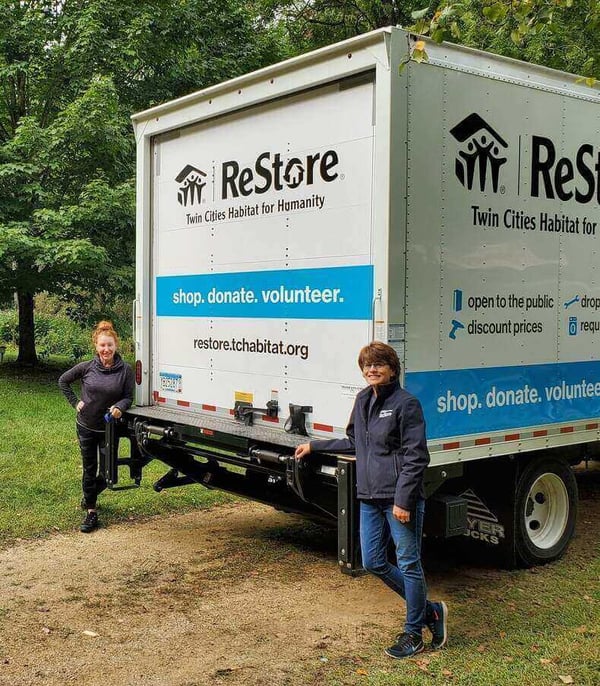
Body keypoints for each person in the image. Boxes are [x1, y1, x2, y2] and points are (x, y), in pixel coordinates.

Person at [295, 341, 447, 659]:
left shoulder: (407, 404)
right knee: (373, 561)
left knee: (408, 563)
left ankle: (413, 633)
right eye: (367, 365)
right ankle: (431, 611)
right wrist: (316, 446)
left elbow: (417, 456)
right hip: (369, 497)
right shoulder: (363, 399)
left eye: (379, 364)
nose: (372, 369)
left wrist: (403, 501)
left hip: (398, 499)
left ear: (393, 369)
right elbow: (354, 442)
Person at [58, 320, 134, 533]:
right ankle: (91, 511)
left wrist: (120, 406)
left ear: (115, 345)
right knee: (89, 469)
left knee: (108, 471)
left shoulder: (125, 370)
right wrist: (75, 402)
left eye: (109, 345)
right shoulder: (87, 367)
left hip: (110, 430)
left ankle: (89, 494)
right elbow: (63, 381)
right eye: (102, 345)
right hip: (86, 428)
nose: (106, 349)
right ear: (96, 347)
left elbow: (128, 397)